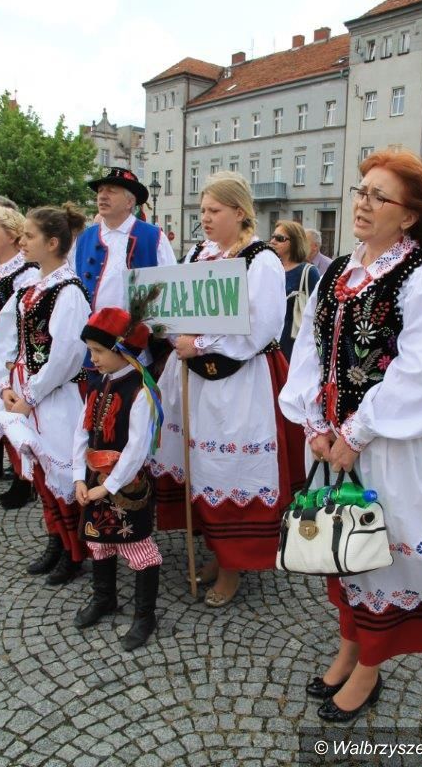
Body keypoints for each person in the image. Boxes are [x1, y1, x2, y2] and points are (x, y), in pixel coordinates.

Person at [279, 149, 422, 722]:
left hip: (393, 444)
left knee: (383, 551)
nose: (364, 203)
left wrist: (357, 431)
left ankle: (370, 667)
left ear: (410, 215)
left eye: (380, 196)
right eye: (362, 191)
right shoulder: (339, 271)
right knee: (342, 542)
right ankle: (351, 646)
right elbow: (309, 349)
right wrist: (314, 423)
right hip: (334, 442)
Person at [152, 172, 305, 607]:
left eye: (214, 210)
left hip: (239, 379)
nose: (205, 218)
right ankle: (216, 553)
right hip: (193, 377)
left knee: (226, 469)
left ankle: (233, 565)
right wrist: (170, 330)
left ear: (239, 213)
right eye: (202, 210)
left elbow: (262, 326)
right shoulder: (198, 254)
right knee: (199, 465)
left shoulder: (261, 260)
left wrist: (200, 342)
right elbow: (176, 304)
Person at [0, 204, 91, 585]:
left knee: (61, 472)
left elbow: (66, 355)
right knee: (43, 476)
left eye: (29, 236)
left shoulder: (69, 292)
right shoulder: (30, 288)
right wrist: (4, 384)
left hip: (58, 398)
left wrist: (29, 395)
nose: (22, 242)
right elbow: (4, 340)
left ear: (52, 243)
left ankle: (75, 551)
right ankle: (56, 541)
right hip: (27, 396)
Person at [73, 308, 163, 651]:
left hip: (126, 485)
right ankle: (104, 598)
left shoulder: (140, 391)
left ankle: (145, 615)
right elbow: (81, 433)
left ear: (122, 350)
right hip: (93, 479)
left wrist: (108, 487)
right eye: (90, 350)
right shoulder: (98, 383)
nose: (92, 358)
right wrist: (78, 478)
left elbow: (137, 449)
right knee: (99, 540)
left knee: (136, 545)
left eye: (98, 351)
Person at [75, 167, 176, 376]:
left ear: (130, 202)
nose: (102, 196)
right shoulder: (85, 238)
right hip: (92, 348)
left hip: (136, 347)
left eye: (111, 191)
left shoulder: (153, 236)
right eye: (100, 191)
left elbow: (170, 289)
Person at [0, 206, 38, 499]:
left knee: (13, 412)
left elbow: (24, 318)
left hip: (12, 355)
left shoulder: (24, 272)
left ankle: (25, 479)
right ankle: (16, 474)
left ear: (11, 235)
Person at [271, 220, 319, 362]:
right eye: (273, 237)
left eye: (279, 238)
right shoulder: (270, 268)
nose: (273, 241)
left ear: (295, 242)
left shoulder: (308, 272)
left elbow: (317, 312)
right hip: (269, 342)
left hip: (293, 345)